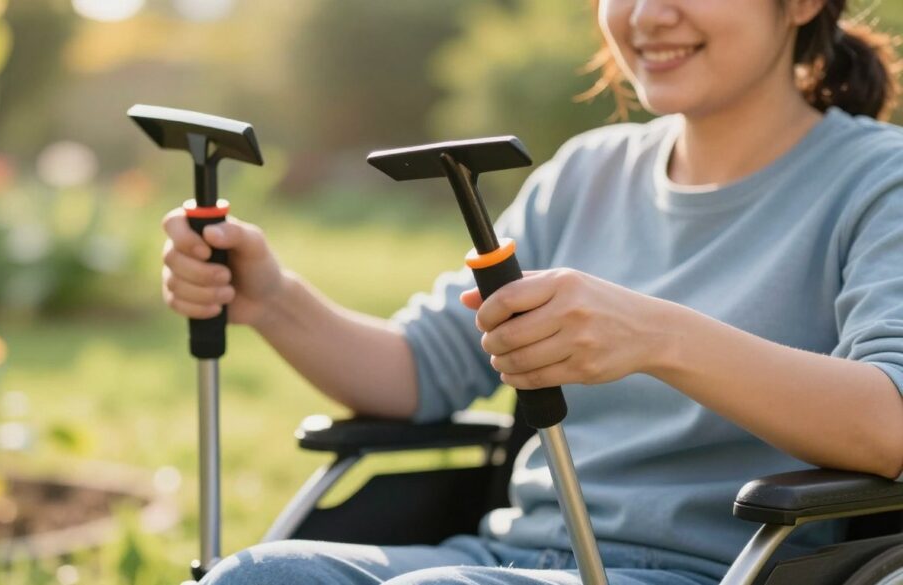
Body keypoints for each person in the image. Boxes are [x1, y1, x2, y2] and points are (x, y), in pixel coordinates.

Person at [161, 0, 903, 583]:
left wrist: (656, 336)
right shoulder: (583, 176)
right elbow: (420, 370)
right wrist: (271, 297)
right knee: (259, 573)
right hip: (507, 559)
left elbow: (890, 423)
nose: (648, 14)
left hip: (712, 570)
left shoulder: (878, 181)